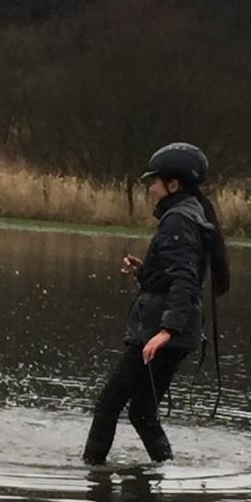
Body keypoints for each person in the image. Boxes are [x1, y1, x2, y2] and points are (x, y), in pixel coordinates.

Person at [82, 142, 230, 466]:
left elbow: (186, 281)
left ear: (173, 185)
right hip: (176, 332)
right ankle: (164, 469)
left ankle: (91, 474)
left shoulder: (179, 221)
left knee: (109, 403)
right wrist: (144, 272)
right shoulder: (190, 214)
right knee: (142, 411)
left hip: (160, 334)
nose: (151, 189)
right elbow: (175, 276)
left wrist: (164, 331)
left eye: (155, 182)